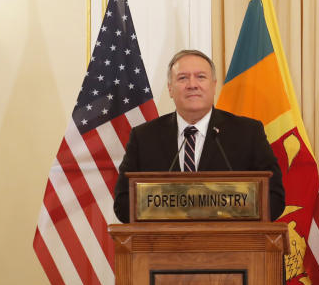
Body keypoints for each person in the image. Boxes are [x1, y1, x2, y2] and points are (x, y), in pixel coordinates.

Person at [113, 50, 285, 222]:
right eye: (182, 78)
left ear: (214, 85)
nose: (192, 85)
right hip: (163, 245)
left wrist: (224, 209)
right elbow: (123, 204)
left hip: (231, 245)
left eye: (201, 77)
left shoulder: (247, 133)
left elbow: (274, 198)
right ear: (170, 88)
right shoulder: (144, 137)